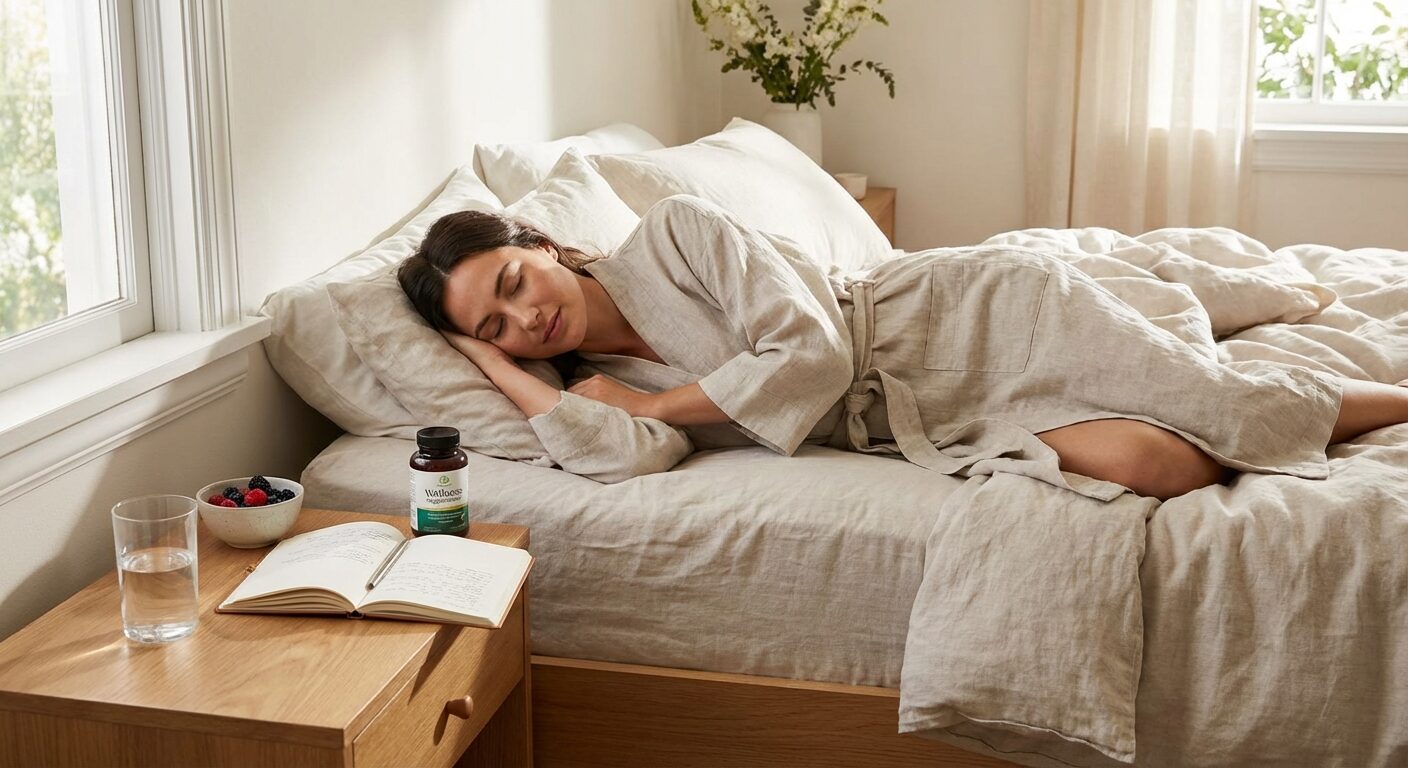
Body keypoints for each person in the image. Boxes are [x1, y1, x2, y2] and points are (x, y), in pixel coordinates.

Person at [397, 195, 1408, 500]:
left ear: (540, 246)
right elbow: (622, 457)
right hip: (919, 419)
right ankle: (1182, 328)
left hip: (958, 316)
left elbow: (813, 355)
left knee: (1221, 407)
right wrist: (496, 371)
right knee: (1157, 465)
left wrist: (661, 407)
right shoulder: (591, 381)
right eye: (494, 326)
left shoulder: (677, 235)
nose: (525, 320)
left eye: (513, 284)